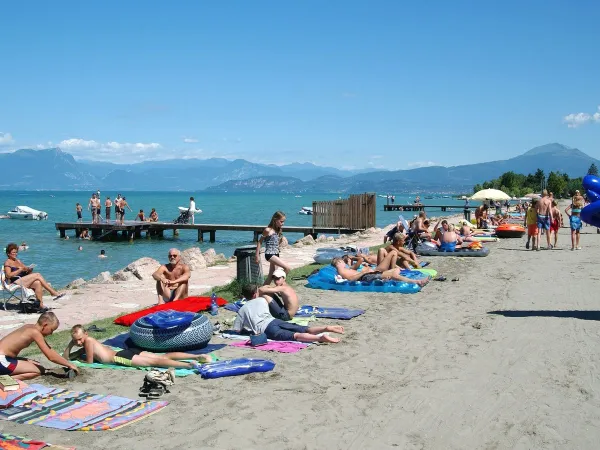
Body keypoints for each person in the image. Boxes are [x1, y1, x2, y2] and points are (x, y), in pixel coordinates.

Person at [63, 325, 211, 370]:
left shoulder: (88, 341)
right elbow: (67, 357)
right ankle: (197, 356)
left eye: (79, 339)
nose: (79, 343)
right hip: (124, 352)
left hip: (120, 357)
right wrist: (72, 344)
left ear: (86, 334)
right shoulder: (89, 342)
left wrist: (78, 357)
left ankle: (188, 365)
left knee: (154, 362)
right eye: (76, 341)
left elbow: (89, 362)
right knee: (162, 356)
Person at [234, 285, 344, 343]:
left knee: (294, 336)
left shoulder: (242, 310)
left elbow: (237, 330)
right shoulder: (262, 300)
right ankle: (326, 328)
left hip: (267, 329)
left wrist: (245, 329)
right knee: (303, 329)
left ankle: (320, 338)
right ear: (255, 294)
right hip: (274, 321)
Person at [0, 312, 79, 380]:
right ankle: (5, 381)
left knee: (35, 363)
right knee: (38, 370)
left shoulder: (29, 327)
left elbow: (49, 349)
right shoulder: (35, 333)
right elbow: (51, 356)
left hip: (4, 358)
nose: (51, 333)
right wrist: (70, 364)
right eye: (51, 330)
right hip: (2, 361)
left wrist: (25, 360)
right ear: (45, 325)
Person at [4, 243, 65, 310]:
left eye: (16, 252)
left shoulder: (18, 261)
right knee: (37, 275)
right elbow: (8, 275)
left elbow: (25, 270)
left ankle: (40, 305)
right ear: (8, 253)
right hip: (15, 282)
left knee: (38, 283)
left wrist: (29, 269)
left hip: (23, 280)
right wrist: (19, 270)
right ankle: (52, 292)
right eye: (13, 252)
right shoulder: (8, 262)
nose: (15, 254)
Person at [331, 257, 428, 286]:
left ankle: (387, 279)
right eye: (342, 262)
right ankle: (417, 282)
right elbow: (351, 279)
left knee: (396, 269)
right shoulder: (342, 271)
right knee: (394, 274)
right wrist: (363, 272)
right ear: (338, 262)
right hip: (365, 277)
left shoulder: (345, 269)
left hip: (368, 274)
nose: (344, 263)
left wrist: (367, 269)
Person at [256, 211, 290, 285]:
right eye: (281, 221)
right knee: (287, 268)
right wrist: (257, 255)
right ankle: (280, 285)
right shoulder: (268, 230)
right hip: (270, 254)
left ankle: (261, 290)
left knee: (271, 276)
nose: (283, 223)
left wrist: (281, 241)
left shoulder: (278, 230)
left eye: (283, 222)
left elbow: (277, 243)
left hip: (276, 253)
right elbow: (260, 242)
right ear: (275, 220)